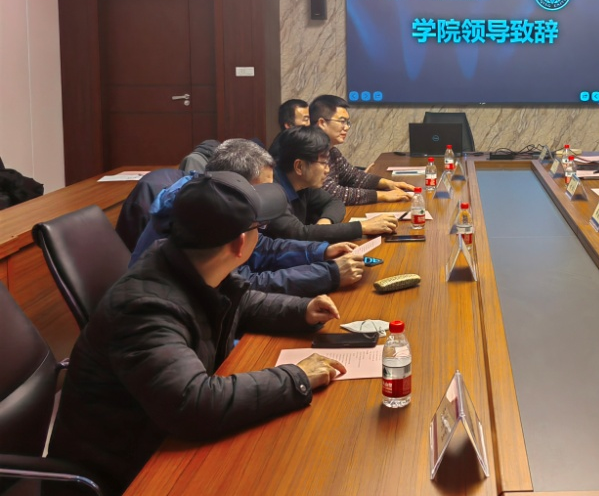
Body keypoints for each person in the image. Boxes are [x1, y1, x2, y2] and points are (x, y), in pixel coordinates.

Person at [48, 171, 347, 494]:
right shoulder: (145, 309)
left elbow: (241, 302)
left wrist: (301, 310)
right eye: (259, 229)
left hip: (162, 437)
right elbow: (194, 404)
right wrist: (296, 377)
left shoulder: (186, 263)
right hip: (127, 472)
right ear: (240, 244)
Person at [131, 139, 368, 295]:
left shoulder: (218, 200)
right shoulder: (200, 217)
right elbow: (244, 284)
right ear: (235, 184)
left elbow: (261, 248)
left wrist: (321, 252)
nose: (265, 199)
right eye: (261, 190)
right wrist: (328, 274)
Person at [267, 125, 399, 242]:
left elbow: (334, 202)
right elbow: (299, 234)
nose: (327, 170)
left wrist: (325, 223)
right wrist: (362, 227)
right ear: (299, 166)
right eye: (323, 163)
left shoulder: (302, 183)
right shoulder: (272, 193)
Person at [310, 94, 415, 204]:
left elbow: (354, 176)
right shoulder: (310, 153)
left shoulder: (332, 152)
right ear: (322, 123)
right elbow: (332, 194)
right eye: (342, 121)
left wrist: (389, 184)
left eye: (347, 122)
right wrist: (382, 195)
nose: (346, 127)